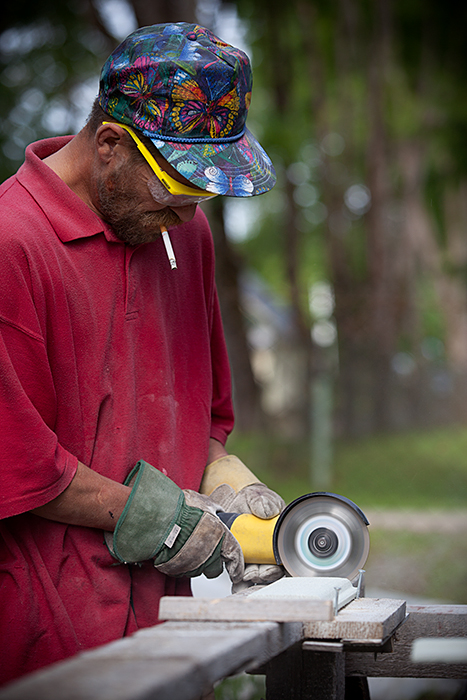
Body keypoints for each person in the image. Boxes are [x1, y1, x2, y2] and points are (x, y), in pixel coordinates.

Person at [0, 22, 285, 687]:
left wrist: (225, 479)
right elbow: (15, 462)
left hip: (173, 629)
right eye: (175, 190)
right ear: (109, 145)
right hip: (49, 632)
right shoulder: (14, 244)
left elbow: (204, 412)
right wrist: (150, 515)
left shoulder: (185, 236)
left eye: (202, 197)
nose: (188, 215)